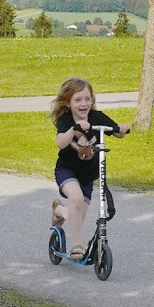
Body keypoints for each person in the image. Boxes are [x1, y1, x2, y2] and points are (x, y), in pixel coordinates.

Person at [49, 77, 127, 259]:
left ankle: (58, 210)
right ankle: (77, 246)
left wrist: (121, 129)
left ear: (92, 100)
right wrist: (74, 128)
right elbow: (61, 143)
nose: (83, 104)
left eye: (87, 99)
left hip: (87, 176)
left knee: (77, 218)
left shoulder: (97, 117)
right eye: (78, 100)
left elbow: (116, 131)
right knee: (75, 199)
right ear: (68, 103)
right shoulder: (66, 119)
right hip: (66, 171)